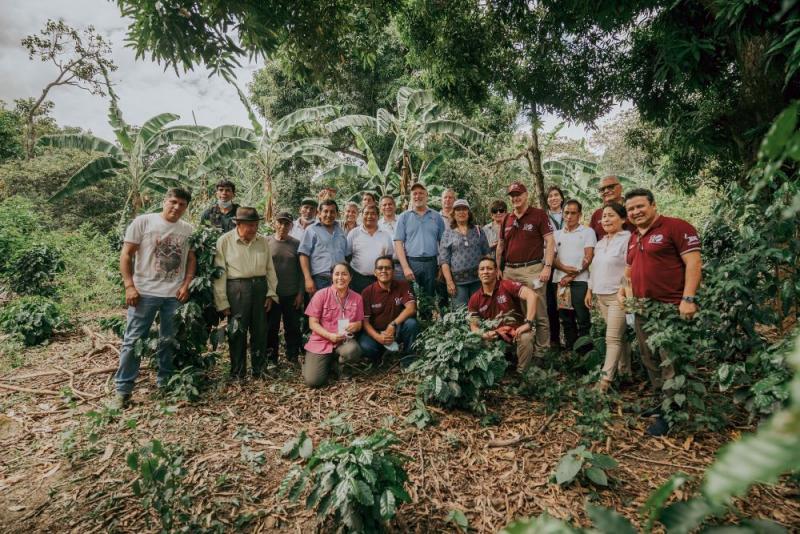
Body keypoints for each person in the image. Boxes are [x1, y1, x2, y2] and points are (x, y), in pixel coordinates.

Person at [621, 188, 702, 436]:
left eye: (640, 206)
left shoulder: (676, 227)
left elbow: (694, 262)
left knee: (670, 360)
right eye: (631, 209)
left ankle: (672, 413)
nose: (635, 212)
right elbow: (629, 270)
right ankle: (662, 401)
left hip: (669, 306)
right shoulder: (634, 237)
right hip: (642, 307)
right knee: (649, 357)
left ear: (653, 205)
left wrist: (688, 298)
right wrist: (622, 291)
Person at [113, 188, 196, 408]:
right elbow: (126, 254)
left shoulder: (188, 229)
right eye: (173, 202)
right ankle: (123, 390)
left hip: (174, 295)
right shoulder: (144, 222)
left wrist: (186, 284)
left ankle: (165, 382)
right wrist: (129, 286)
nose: (176, 207)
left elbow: (191, 259)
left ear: (186, 208)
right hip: (144, 292)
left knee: (168, 340)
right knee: (133, 341)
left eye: (182, 204)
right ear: (164, 201)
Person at [213, 207, 278, 380]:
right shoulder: (225, 241)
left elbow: (270, 269)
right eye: (249, 225)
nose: (253, 229)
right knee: (237, 331)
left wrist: (271, 293)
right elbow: (220, 273)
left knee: (260, 331)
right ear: (238, 224)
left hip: (260, 288)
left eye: (255, 225)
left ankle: (259, 369)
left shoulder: (262, 241)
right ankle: (237, 372)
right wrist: (222, 301)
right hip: (237, 289)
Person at [496, 181, 556, 360]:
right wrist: (498, 268)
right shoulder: (507, 218)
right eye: (512, 196)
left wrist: (547, 266)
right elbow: (500, 245)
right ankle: (519, 351)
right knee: (513, 312)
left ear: (526, 195)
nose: (515, 198)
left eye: (518, 194)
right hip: (510, 271)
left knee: (539, 312)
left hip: (533, 270)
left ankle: (542, 353)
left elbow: (550, 241)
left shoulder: (538, 215)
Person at [585, 202, 632, 392]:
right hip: (601, 295)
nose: (606, 219)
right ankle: (625, 372)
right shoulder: (601, 242)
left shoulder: (627, 239)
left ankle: (604, 382)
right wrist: (590, 290)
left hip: (617, 296)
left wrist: (625, 291)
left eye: (611, 215)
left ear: (623, 219)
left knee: (611, 338)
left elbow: (630, 267)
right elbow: (594, 268)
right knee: (621, 337)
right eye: (604, 216)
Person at [468, 257, 538, 372]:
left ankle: (522, 373)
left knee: (526, 337)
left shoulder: (506, 285)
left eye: (489, 268)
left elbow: (532, 295)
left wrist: (528, 323)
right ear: (478, 273)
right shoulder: (474, 298)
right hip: (494, 336)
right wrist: (484, 334)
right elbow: (474, 326)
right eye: (482, 269)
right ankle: (497, 372)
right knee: (476, 341)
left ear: (496, 272)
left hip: (515, 332)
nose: (485, 272)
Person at [302, 262, 364, 387]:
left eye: (344, 274)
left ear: (350, 277)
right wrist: (329, 335)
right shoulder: (320, 295)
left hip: (344, 341)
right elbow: (312, 323)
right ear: (332, 276)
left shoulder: (357, 298)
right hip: (321, 342)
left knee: (353, 350)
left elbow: (359, 323)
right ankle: (328, 363)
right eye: (337, 274)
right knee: (313, 381)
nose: (340, 277)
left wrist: (356, 326)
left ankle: (341, 366)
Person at [358, 256, 419, 366]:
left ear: (393, 271)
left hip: (397, 329)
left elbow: (411, 308)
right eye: (380, 268)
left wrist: (393, 324)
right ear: (375, 272)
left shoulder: (403, 285)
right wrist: (378, 337)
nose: (384, 271)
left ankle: (408, 359)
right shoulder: (367, 292)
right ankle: (382, 357)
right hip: (376, 332)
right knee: (366, 347)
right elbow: (365, 322)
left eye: (388, 268)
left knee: (411, 324)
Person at [552, 199, 596, 352]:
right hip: (560, 282)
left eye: (573, 213)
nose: (569, 216)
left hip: (580, 282)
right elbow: (551, 258)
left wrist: (571, 276)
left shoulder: (587, 232)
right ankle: (571, 351)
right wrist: (564, 269)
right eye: (566, 213)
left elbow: (589, 256)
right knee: (566, 319)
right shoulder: (556, 234)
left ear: (579, 215)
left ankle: (585, 352)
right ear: (562, 214)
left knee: (582, 317)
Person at [394, 182, 446, 299]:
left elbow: (443, 244)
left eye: (421, 193)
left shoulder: (437, 217)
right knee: (411, 298)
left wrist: (442, 266)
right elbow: (398, 243)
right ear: (411, 197)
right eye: (415, 194)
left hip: (431, 263)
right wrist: (405, 267)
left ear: (427, 195)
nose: (418, 196)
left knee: (430, 299)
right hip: (412, 263)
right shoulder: (404, 217)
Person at [266, 212, 304, 365]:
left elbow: (301, 271)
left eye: (286, 223)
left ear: (291, 226)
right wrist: (266, 293)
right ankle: (271, 358)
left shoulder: (296, 244)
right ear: (275, 223)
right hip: (272, 295)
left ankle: (292, 355)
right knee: (271, 327)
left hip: (291, 293)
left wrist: (300, 293)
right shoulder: (266, 242)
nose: (283, 226)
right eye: (280, 223)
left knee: (293, 327)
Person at [439, 199, 490, 308]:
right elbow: (444, 260)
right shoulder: (447, 234)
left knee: (480, 309)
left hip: (478, 280)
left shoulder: (478, 230)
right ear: (453, 213)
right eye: (458, 209)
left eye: (464, 209)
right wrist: (449, 282)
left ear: (469, 212)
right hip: (458, 283)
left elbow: (487, 255)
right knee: (461, 312)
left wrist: (488, 276)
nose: (461, 212)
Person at [299, 199, 348, 294]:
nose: (329, 215)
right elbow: (303, 255)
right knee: (320, 304)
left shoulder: (341, 231)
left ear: (337, 214)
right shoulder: (311, 230)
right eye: (325, 211)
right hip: (320, 280)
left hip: (340, 279)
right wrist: (308, 279)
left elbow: (346, 256)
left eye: (332, 212)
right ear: (319, 213)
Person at [346, 204, 394, 293]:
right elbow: (347, 256)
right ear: (362, 215)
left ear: (378, 216)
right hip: (357, 279)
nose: (369, 216)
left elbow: (389, 258)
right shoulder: (353, 233)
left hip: (379, 279)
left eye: (373, 213)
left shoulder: (385, 235)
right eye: (366, 213)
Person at [544, 185, 565, 350]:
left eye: (556, 195)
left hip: (569, 264)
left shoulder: (570, 214)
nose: (553, 198)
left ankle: (573, 339)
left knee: (568, 301)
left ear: (562, 198)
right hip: (550, 264)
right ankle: (555, 339)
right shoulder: (543, 218)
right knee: (551, 303)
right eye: (550, 196)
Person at [590, 175, 635, 240]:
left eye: (611, 187)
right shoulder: (597, 214)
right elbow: (590, 238)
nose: (606, 191)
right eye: (602, 189)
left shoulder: (632, 208)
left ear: (620, 188)